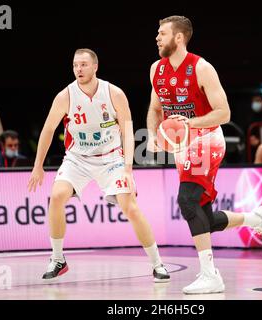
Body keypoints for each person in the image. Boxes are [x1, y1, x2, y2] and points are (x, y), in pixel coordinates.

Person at [146, 16, 262, 294]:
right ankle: (258, 218)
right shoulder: (156, 69)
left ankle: (210, 274)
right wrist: (154, 135)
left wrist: (188, 123)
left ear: (179, 37)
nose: (157, 38)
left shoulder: (201, 68)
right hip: (181, 146)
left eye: (162, 33)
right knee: (203, 215)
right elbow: (155, 108)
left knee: (186, 200)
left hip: (207, 139)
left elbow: (224, 113)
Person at [27, 48, 170, 282]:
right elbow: (48, 129)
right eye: (75, 65)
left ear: (95, 66)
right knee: (56, 197)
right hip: (78, 159)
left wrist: (128, 169)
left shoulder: (113, 93)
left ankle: (157, 263)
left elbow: (127, 130)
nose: (78, 69)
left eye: (83, 64)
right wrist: (38, 166)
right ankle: (58, 259)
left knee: (130, 207)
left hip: (111, 157)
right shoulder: (65, 96)